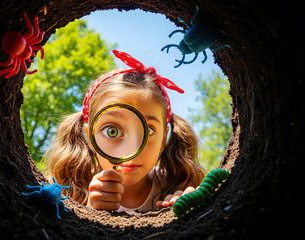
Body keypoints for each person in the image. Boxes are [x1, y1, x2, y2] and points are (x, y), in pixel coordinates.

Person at [44, 50, 206, 212]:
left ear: (163, 140)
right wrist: (89, 212)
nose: (133, 150)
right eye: (112, 131)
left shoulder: (172, 185)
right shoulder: (72, 190)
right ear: (90, 138)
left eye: (148, 131)